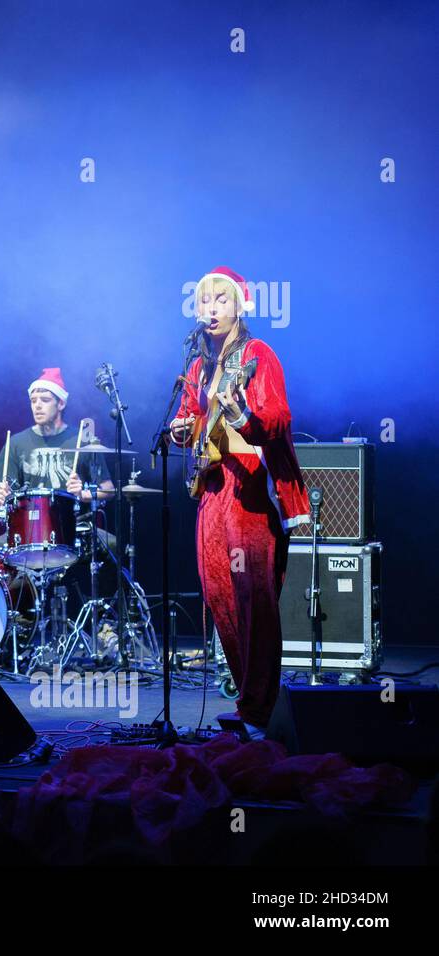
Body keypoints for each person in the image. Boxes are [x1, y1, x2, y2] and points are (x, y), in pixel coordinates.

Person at [170, 266, 309, 734]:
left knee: (254, 598)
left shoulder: (257, 354)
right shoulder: (198, 365)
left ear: (239, 306)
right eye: (204, 301)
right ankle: (250, 700)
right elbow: (191, 417)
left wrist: (243, 414)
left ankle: (260, 710)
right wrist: (180, 429)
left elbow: (277, 419)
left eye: (220, 301)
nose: (210, 309)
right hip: (211, 488)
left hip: (248, 486)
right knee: (219, 596)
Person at [0, 367, 115, 509]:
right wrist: (3, 499)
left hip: (75, 526)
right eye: (33, 400)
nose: (37, 406)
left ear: (61, 403)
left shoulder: (83, 440)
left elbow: (109, 490)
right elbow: (7, 497)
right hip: (29, 526)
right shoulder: (15, 443)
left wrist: (83, 494)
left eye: (45, 400)